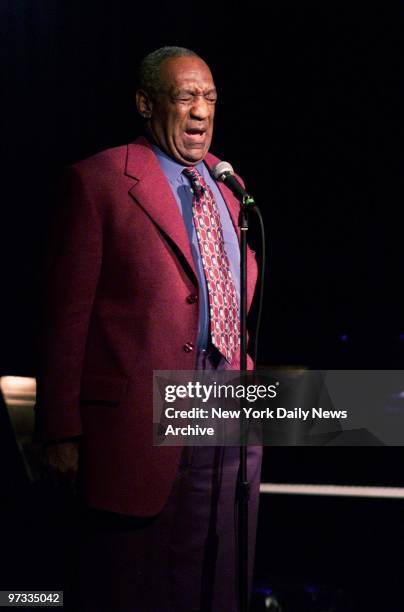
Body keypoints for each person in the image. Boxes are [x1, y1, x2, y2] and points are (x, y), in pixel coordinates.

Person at [36, 46, 262, 611]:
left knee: (219, 578)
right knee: (135, 586)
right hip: (143, 419)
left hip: (228, 411)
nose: (200, 113)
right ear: (145, 103)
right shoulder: (101, 180)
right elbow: (64, 316)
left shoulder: (227, 185)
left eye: (209, 99)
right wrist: (60, 429)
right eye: (185, 97)